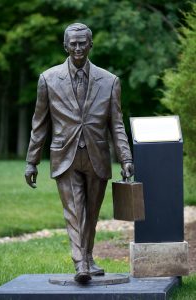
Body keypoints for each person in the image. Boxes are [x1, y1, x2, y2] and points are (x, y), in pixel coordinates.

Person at [25, 23, 133, 283]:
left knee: (91, 213)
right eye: (72, 43)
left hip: (97, 154)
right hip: (65, 154)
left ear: (90, 44)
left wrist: (126, 158)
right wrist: (32, 161)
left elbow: (116, 125)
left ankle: (89, 257)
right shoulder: (48, 79)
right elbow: (39, 124)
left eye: (82, 43)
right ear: (65, 45)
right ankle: (80, 263)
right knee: (74, 211)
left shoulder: (109, 81)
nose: (77, 48)